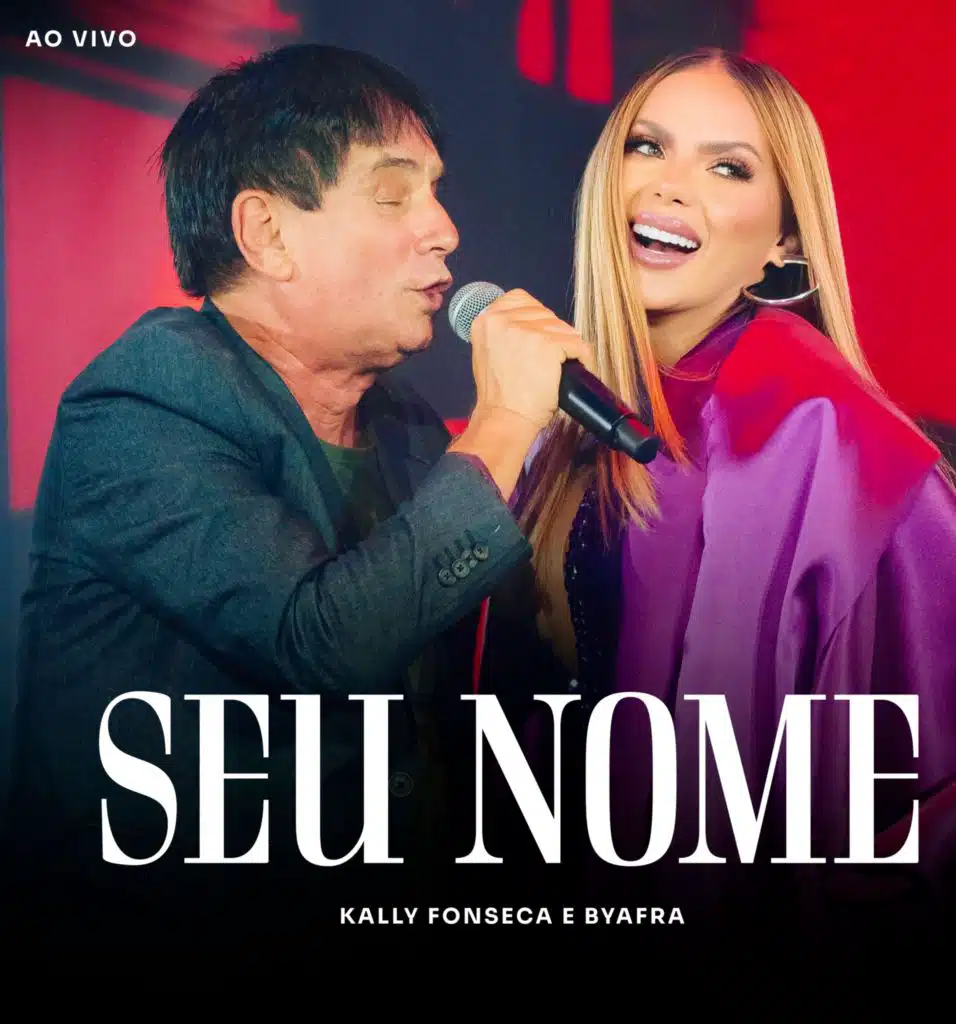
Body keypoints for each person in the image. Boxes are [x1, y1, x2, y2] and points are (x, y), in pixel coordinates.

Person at [2, 43, 595, 969]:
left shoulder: (404, 429)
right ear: (268, 233)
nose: (444, 230)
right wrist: (508, 415)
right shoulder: (145, 401)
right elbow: (320, 645)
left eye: (437, 193)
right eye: (393, 196)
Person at [475, 48, 956, 980]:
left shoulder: (829, 434)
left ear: (785, 243)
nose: (670, 186)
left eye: (728, 167)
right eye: (648, 146)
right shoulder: (551, 414)